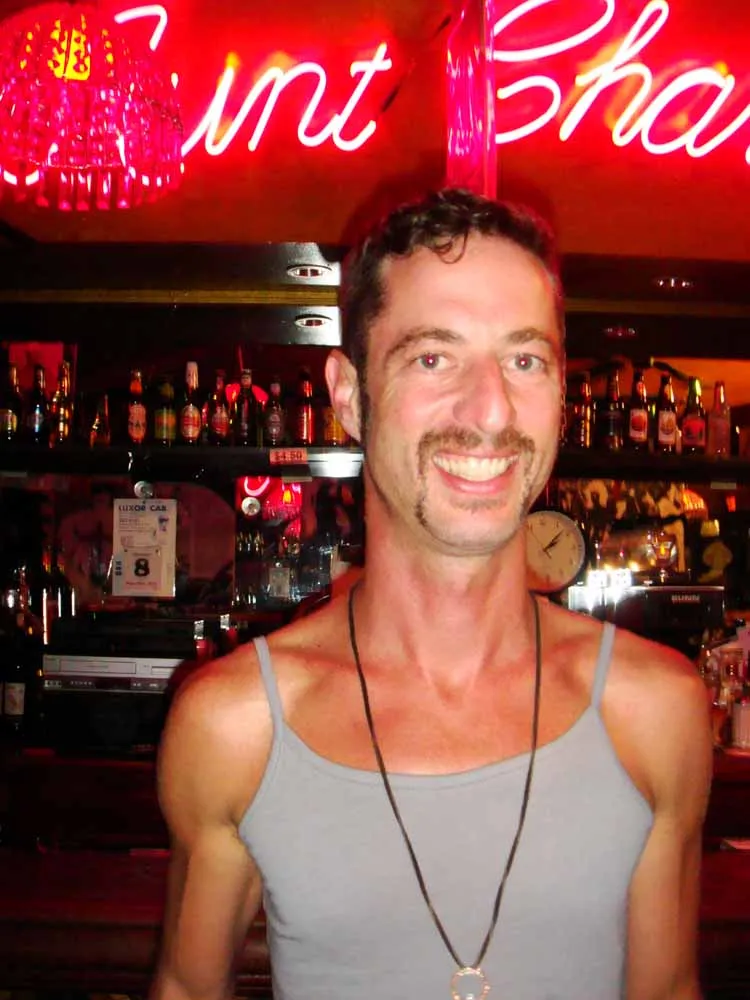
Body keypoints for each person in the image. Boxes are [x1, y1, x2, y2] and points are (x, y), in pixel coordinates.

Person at [152, 188, 712, 1000]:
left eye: (526, 359)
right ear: (350, 395)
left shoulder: (655, 709)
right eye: (432, 357)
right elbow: (185, 986)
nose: (490, 410)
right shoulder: (236, 725)